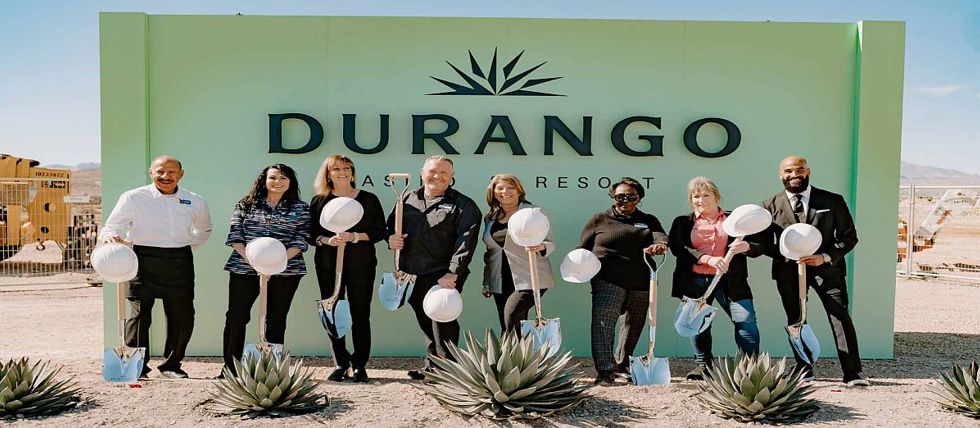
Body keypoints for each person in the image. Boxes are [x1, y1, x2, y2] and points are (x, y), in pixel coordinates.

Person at [99, 155, 212, 379]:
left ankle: (172, 366)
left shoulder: (195, 200)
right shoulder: (133, 197)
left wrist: (183, 248)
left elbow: (205, 230)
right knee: (139, 316)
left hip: (180, 261)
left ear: (181, 174)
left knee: (183, 315)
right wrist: (113, 237)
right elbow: (111, 227)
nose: (165, 176)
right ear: (151, 173)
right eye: (160, 171)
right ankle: (137, 367)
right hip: (142, 259)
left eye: (171, 171)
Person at [760, 156, 868, 386]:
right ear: (780, 174)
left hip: (827, 270)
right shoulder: (769, 205)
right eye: (788, 171)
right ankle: (804, 368)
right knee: (796, 319)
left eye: (799, 170)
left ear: (808, 171)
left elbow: (849, 237)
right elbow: (763, 242)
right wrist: (784, 252)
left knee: (839, 317)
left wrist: (826, 257)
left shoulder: (832, 200)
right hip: (788, 271)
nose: (794, 175)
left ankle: (853, 373)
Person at [386, 156, 482, 380]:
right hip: (412, 271)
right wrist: (390, 238)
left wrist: (453, 273)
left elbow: (466, 241)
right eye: (432, 171)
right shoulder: (408, 198)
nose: (437, 176)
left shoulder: (463, 205)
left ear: (452, 177)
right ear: (422, 172)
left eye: (444, 173)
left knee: (442, 319)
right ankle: (433, 366)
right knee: (425, 318)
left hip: (442, 274)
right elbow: (392, 225)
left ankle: (449, 371)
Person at [668, 176, 763, 381]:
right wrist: (706, 259)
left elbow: (759, 247)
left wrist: (747, 247)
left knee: (745, 321)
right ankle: (703, 366)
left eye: (705, 195)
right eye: (696, 196)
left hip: (730, 282)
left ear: (716, 196)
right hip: (696, 281)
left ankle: (751, 367)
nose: (701, 200)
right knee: (698, 325)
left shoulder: (734, 220)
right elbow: (679, 248)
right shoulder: (683, 222)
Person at [219, 164, 309, 377]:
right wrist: (254, 261)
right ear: (264, 180)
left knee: (276, 317)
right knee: (236, 316)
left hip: (286, 270)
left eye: (284, 178)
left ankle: (271, 369)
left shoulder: (300, 207)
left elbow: (302, 237)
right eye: (273, 177)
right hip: (245, 268)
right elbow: (235, 235)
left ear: (290, 182)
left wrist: (277, 262)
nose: (278, 182)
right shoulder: (246, 204)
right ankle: (231, 367)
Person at [578, 177, 668, 385]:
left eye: (631, 197)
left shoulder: (648, 220)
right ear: (612, 197)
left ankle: (622, 366)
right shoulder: (599, 219)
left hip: (642, 280)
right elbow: (582, 247)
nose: (625, 201)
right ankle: (604, 372)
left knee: (633, 325)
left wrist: (660, 246)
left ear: (639, 198)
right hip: (607, 278)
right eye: (619, 197)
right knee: (603, 324)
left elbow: (660, 237)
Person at [309, 155, 386, 383]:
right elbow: (310, 234)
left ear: (352, 172)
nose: (342, 172)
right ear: (328, 174)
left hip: (361, 265)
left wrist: (354, 237)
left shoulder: (368, 199)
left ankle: (360, 364)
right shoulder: (319, 201)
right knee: (332, 311)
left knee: (360, 313)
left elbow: (379, 231)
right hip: (327, 265)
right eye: (335, 169)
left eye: (346, 168)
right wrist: (326, 240)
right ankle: (341, 362)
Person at [480, 174, 556, 333]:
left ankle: (508, 356)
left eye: (511, 187)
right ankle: (516, 356)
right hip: (499, 279)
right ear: (493, 192)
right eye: (500, 188)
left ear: (519, 191)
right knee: (508, 323)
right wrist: (487, 281)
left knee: (511, 315)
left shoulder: (534, 212)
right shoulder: (490, 218)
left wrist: (540, 246)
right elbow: (490, 253)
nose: (505, 191)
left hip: (530, 277)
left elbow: (550, 243)